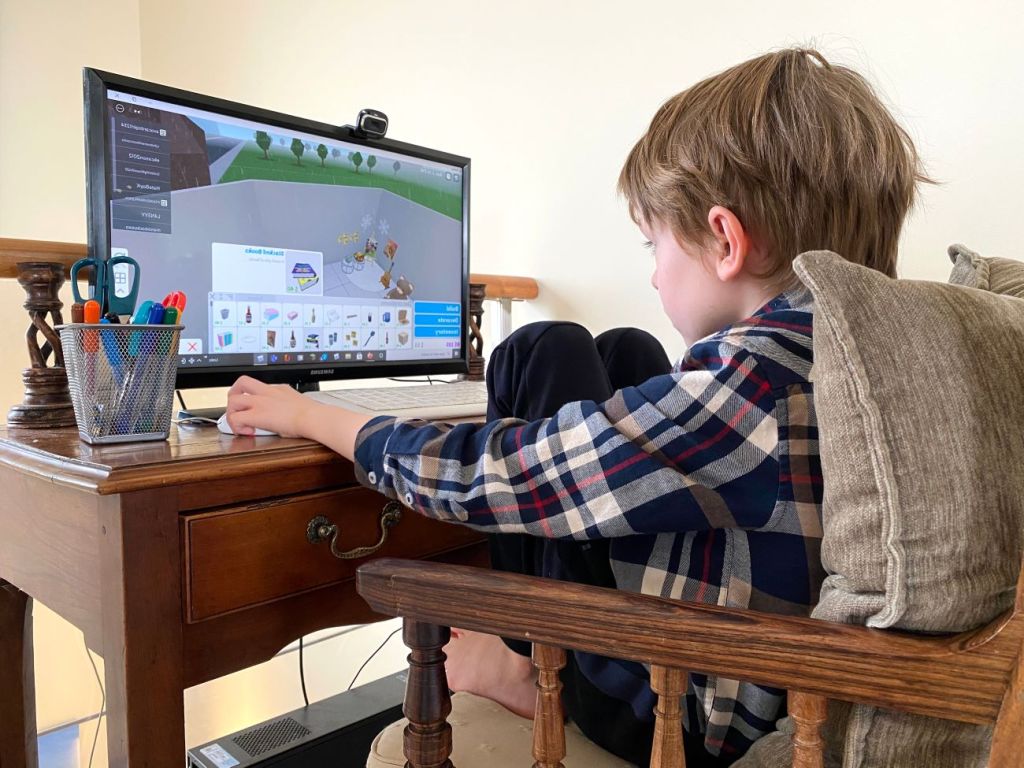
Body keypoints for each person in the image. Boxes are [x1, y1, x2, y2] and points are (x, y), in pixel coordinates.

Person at [224, 47, 928, 766]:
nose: (653, 273)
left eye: (654, 245)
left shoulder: (756, 383)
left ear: (725, 240)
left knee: (540, 349)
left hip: (676, 711)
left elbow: (496, 474)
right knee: (623, 349)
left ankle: (519, 665)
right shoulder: (854, 352)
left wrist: (311, 415)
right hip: (755, 676)